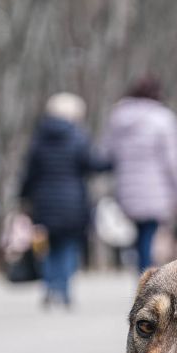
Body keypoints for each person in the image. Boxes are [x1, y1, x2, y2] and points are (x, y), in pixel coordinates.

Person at [19, 93, 110, 309]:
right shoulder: (78, 137)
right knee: (69, 245)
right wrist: (112, 162)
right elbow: (92, 164)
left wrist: (23, 197)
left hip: (44, 202)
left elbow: (29, 173)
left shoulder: (38, 138)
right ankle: (66, 289)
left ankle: (50, 286)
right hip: (73, 201)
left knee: (48, 247)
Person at [102, 76, 177, 273]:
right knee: (149, 234)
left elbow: (107, 153)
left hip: (127, 189)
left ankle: (141, 269)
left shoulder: (117, 117)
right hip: (156, 188)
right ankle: (145, 274)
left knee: (140, 233)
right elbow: (174, 160)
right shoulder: (163, 118)